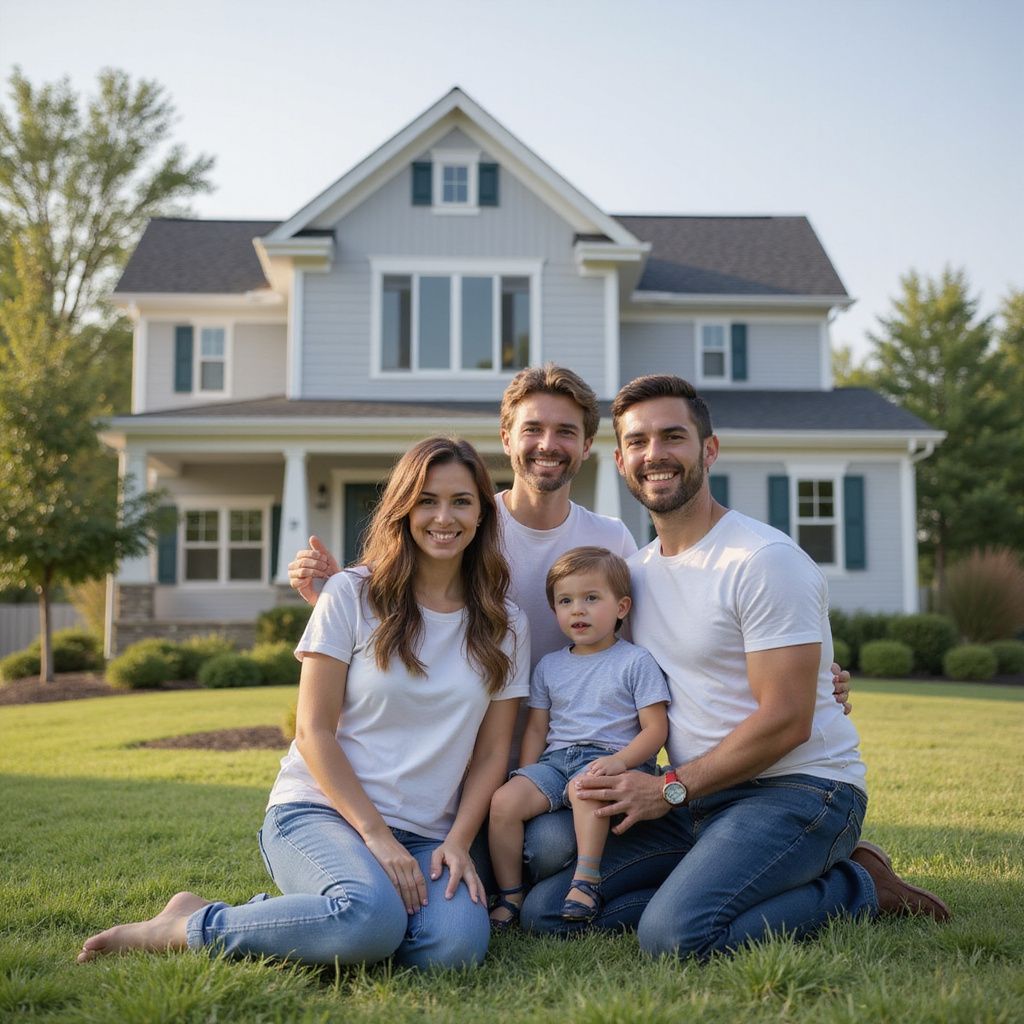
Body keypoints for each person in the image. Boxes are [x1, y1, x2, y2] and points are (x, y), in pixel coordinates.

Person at [287, 364, 853, 910]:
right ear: (506, 437)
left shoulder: (613, 542)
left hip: (574, 758)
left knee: (548, 847)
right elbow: (401, 597)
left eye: (566, 432)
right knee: (517, 883)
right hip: (467, 764)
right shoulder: (466, 523)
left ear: (587, 448)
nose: (547, 444)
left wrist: (810, 679)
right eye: (532, 429)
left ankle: (778, 870)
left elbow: (651, 643)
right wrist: (334, 595)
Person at [520, 375, 949, 958]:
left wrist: (667, 789)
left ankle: (858, 885)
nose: (656, 455)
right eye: (639, 442)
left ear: (709, 449)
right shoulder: (635, 575)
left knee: (675, 936)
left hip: (798, 789)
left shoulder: (762, 560)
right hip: (700, 797)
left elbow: (788, 720)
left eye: (674, 437)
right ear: (620, 461)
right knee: (549, 912)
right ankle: (724, 882)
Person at [78, 436, 530, 969]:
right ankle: (184, 925)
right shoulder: (352, 595)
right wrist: (377, 837)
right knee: (369, 919)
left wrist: (457, 840)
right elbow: (312, 731)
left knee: (452, 950)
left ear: (482, 512)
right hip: (322, 811)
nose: (443, 517)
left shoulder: (505, 624)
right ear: (404, 509)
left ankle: (322, 918)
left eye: (461, 501)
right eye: (427, 500)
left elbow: (492, 752)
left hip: (430, 832)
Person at [487, 547, 670, 929]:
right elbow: (538, 728)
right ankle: (511, 895)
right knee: (504, 802)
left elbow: (656, 729)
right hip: (556, 762)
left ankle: (585, 881)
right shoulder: (550, 665)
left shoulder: (635, 661)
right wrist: (527, 772)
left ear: (621, 607)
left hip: (611, 760)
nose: (578, 610)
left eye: (591, 598)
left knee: (587, 787)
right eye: (565, 601)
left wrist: (620, 762)